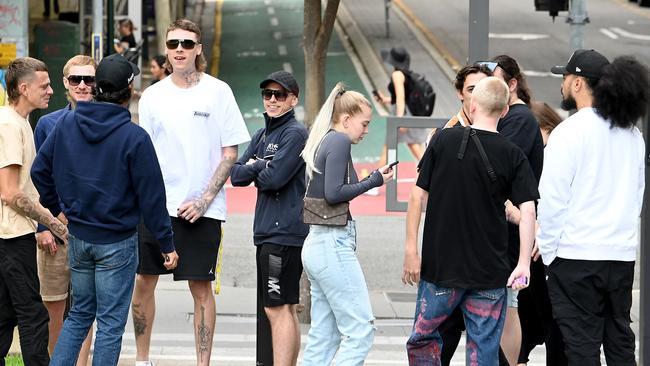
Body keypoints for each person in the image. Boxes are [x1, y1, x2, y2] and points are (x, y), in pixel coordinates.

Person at [31, 53, 178, 366]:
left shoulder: (67, 123)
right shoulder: (135, 137)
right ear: (128, 92)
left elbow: (39, 171)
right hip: (117, 241)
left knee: (79, 315)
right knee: (110, 324)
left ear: (96, 89)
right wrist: (167, 244)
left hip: (79, 236)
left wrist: (60, 209)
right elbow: (152, 197)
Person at [131, 18, 250, 366]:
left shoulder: (219, 91)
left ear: (199, 48)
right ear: (166, 51)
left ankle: (203, 364)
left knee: (200, 288)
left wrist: (202, 200)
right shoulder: (153, 96)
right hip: (156, 208)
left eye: (186, 43)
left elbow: (231, 152)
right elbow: (146, 156)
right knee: (143, 281)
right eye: (172, 44)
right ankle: (142, 359)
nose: (179, 50)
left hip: (203, 210)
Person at [402, 77, 538, 365]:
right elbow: (527, 211)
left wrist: (411, 249)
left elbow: (417, 196)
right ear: (504, 112)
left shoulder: (442, 140)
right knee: (483, 348)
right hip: (490, 273)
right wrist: (523, 263)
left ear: (472, 104)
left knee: (424, 339)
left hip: (441, 268)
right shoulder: (512, 154)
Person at [538, 49, 649, 366]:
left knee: (581, 347)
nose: (562, 84)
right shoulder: (632, 134)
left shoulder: (569, 131)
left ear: (577, 83)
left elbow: (552, 199)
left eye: (565, 77)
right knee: (620, 343)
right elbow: (636, 195)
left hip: (576, 257)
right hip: (620, 255)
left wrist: (549, 255)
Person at [300, 83, 394, 365]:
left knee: (324, 336)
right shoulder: (339, 141)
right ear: (346, 119)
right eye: (364, 124)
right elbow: (334, 193)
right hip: (332, 244)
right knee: (360, 330)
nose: (366, 131)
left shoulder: (325, 139)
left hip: (317, 244)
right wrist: (373, 180)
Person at [230, 70, 308, 366]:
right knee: (282, 307)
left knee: (278, 308)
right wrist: (260, 165)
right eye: (268, 94)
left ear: (293, 100)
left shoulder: (295, 133)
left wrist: (257, 167)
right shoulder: (262, 134)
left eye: (280, 95)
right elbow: (236, 175)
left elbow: (274, 179)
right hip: (270, 232)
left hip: (283, 234)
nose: (272, 100)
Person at [0, 56, 67, 366]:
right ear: (23, 88)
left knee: (6, 314)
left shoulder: (21, 122)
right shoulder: (9, 125)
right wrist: (51, 222)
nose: (51, 90)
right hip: (11, 236)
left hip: (15, 233)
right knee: (33, 314)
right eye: (45, 85)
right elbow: (10, 192)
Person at [33, 54, 96, 364]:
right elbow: (38, 177)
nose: (83, 85)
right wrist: (45, 226)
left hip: (94, 232)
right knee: (53, 306)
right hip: (55, 232)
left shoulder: (108, 121)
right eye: (76, 79)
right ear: (65, 84)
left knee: (86, 308)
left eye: (89, 79)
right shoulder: (47, 124)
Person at [513, 101, 566, 366]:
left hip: (545, 250)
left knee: (546, 320)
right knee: (529, 318)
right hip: (535, 248)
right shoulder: (543, 152)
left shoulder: (555, 151)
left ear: (545, 128)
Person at [374, 47, 429, 166]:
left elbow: (400, 97)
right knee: (414, 146)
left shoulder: (397, 74)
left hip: (402, 114)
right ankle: (428, 175)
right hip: (409, 113)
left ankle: (373, 181)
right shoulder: (406, 74)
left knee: (389, 146)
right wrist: (385, 99)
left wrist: (400, 119)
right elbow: (402, 98)